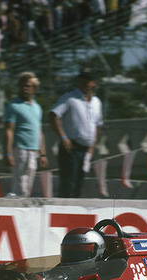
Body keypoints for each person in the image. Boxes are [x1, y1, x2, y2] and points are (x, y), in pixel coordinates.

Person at [49, 67, 103, 198]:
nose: (85, 82)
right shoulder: (69, 98)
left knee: (79, 184)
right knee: (68, 184)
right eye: (82, 79)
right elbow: (53, 115)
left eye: (88, 79)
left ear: (94, 82)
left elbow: (98, 124)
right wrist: (63, 137)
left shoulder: (96, 102)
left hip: (86, 149)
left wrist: (93, 145)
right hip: (71, 148)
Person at [3, 72, 48, 198]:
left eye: (28, 86)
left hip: (34, 150)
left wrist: (42, 153)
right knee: (20, 184)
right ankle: (13, 206)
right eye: (22, 85)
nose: (25, 88)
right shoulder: (13, 106)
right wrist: (8, 153)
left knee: (28, 185)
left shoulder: (37, 107)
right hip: (20, 149)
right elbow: (9, 130)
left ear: (34, 88)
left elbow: (39, 131)